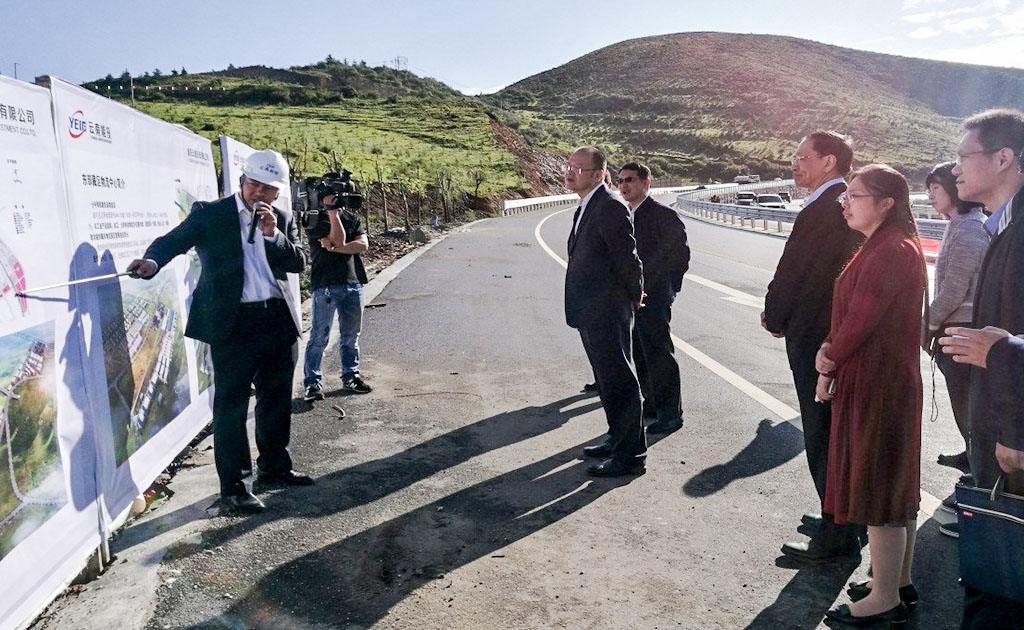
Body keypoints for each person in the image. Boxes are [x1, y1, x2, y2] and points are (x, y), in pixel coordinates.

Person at [127, 149, 312, 513]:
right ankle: (236, 488)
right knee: (231, 406)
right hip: (233, 323)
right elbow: (172, 241)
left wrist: (273, 235)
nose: (260, 194)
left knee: (276, 399)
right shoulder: (210, 215)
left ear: (278, 192)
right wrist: (152, 261)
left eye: (268, 189)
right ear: (242, 181)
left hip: (277, 319)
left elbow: (298, 262)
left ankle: (275, 466)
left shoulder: (281, 219)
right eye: (254, 185)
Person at [813, 165, 927, 626]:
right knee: (893, 484)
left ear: (886, 203)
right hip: (881, 378)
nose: (845, 203)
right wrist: (831, 350)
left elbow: (860, 320)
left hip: (880, 382)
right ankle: (897, 582)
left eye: (854, 196)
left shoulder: (890, 250)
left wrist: (828, 359)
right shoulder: (886, 245)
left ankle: (885, 599)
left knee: (880, 486)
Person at [938, 108, 1024, 630]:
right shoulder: (1001, 226)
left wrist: (1015, 432)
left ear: (1003, 157)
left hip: (1012, 443)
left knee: (1002, 584)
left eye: (963, 157)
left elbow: (1009, 340)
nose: (954, 169)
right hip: (998, 430)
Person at [762, 130, 864, 560]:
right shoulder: (838, 203)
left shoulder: (830, 207)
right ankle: (844, 519)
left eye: (802, 156)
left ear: (829, 162)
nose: (794, 162)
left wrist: (775, 316)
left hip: (817, 336)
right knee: (832, 430)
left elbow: (798, 272)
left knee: (823, 432)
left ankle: (837, 532)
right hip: (827, 332)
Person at [563, 146, 646, 477]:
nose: (569, 172)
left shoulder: (610, 205)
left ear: (598, 174)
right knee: (607, 381)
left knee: (619, 380)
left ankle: (631, 455)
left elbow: (628, 256)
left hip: (608, 309)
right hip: (591, 309)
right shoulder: (588, 204)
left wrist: (634, 295)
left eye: (578, 168)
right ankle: (617, 438)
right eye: (568, 166)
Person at [923, 162, 989, 477]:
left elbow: (953, 290)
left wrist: (927, 325)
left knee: (969, 405)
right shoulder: (959, 223)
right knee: (964, 403)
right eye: (929, 188)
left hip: (963, 329)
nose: (930, 195)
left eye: (936, 187)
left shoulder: (970, 228)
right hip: (956, 328)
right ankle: (971, 456)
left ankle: (980, 472)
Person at [617, 161, 690, 434]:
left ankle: (671, 413)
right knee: (640, 353)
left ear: (646, 183)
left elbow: (680, 256)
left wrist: (667, 289)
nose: (624, 185)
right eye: (621, 180)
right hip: (631, 298)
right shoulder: (623, 214)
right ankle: (652, 403)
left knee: (659, 356)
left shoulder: (663, 215)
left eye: (630, 180)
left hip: (655, 297)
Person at [302, 175, 372, 402]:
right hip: (325, 285)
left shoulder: (352, 217)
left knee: (351, 336)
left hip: (352, 283)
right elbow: (342, 240)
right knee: (319, 337)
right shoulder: (314, 218)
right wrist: (332, 215)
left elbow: (362, 245)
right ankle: (312, 383)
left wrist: (334, 248)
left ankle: (351, 376)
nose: (337, 197)